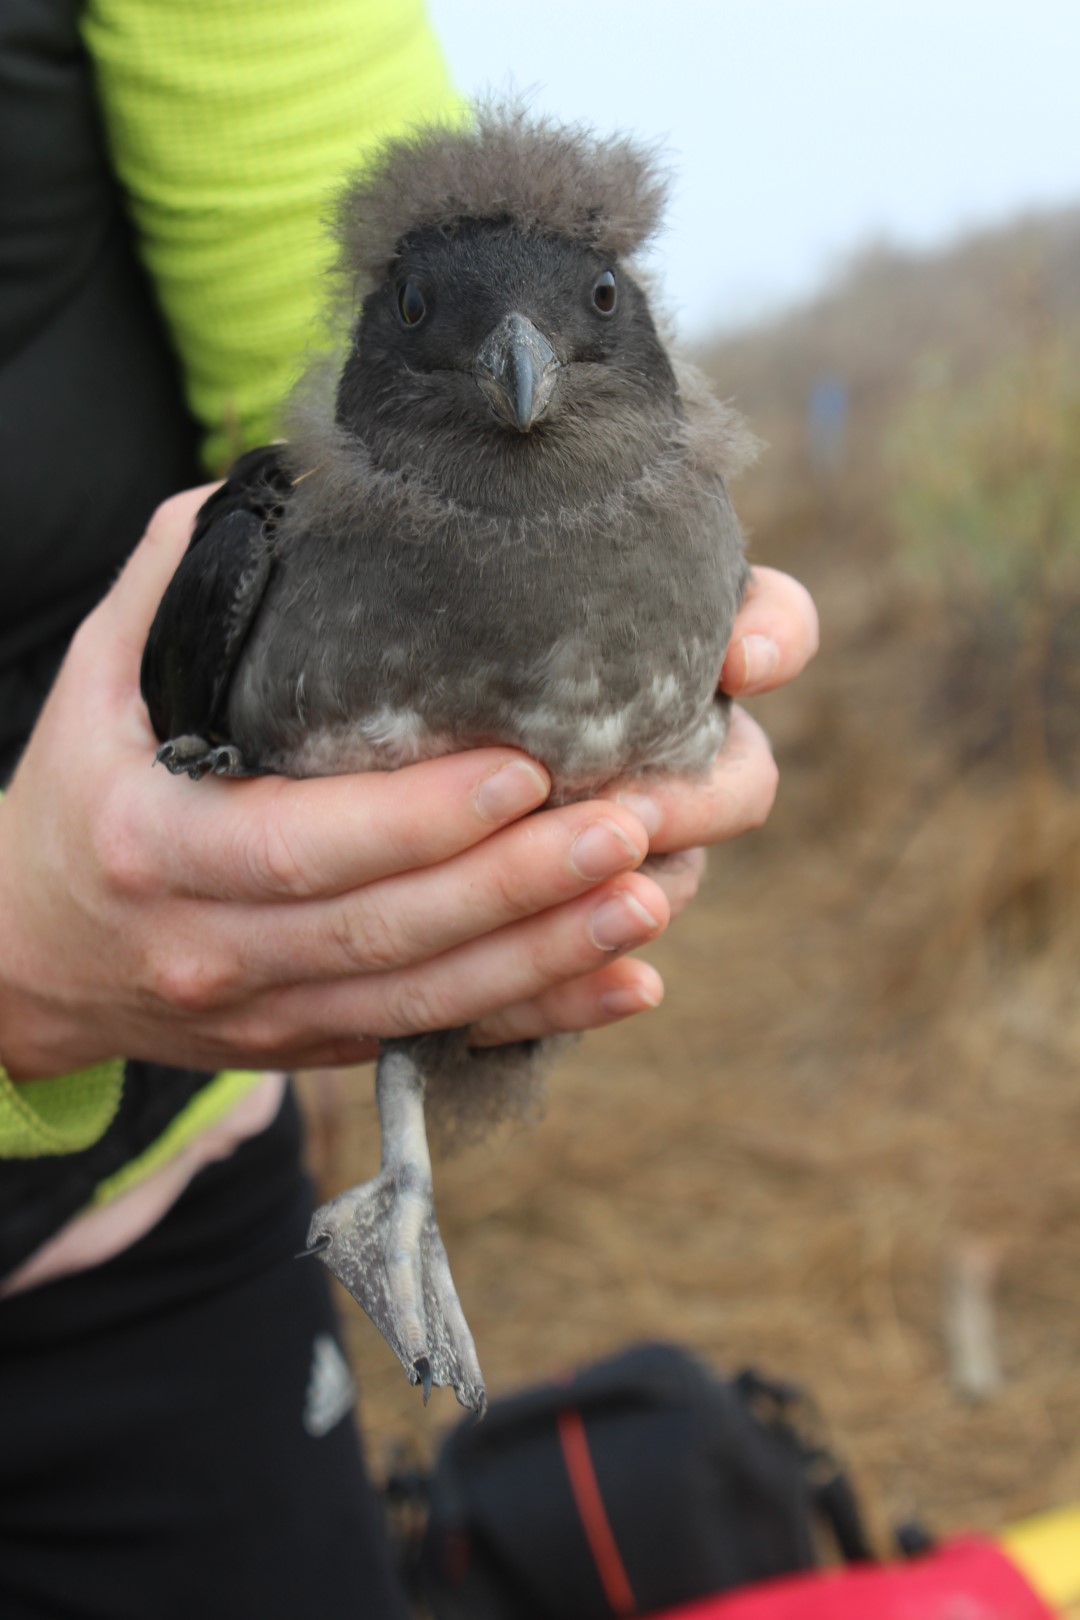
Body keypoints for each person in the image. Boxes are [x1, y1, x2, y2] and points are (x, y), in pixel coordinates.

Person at [0, 2, 819, 1616]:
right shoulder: (295, 529)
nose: (520, 361)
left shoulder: (667, 516)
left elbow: (322, 242)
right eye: (441, 319)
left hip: (147, 1240)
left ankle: (403, 1181)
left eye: (586, 312)